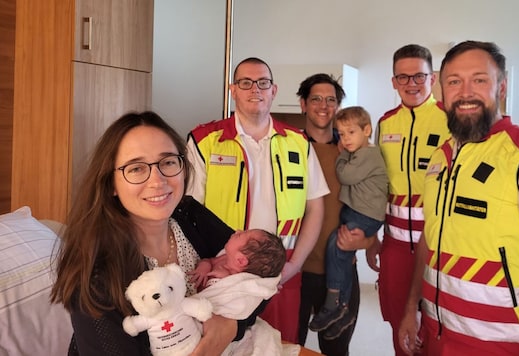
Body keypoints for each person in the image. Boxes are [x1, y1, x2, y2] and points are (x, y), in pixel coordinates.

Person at [398, 40, 519, 355]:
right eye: (454, 82)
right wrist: (410, 309)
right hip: (436, 336)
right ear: (442, 93)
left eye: (480, 79)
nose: (466, 91)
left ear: (501, 87)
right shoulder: (439, 159)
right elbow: (428, 242)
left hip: (506, 345)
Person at [50, 111, 263, 356]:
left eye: (168, 162)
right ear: (111, 184)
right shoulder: (95, 272)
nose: (157, 180)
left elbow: (262, 275)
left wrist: (231, 326)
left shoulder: (190, 214)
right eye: (137, 168)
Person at [186, 57, 329, 344]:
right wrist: (207, 265)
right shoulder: (205, 140)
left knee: (280, 344)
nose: (255, 89)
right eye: (246, 83)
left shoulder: (298, 142)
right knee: (227, 346)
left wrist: (296, 264)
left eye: (263, 83)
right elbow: (189, 213)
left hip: (281, 273)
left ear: (273, 90)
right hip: (222, 275)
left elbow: (315, 207)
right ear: (233, 90)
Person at [370, 44, 450, 355]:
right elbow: (379, 185)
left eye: (419, 75)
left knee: (435, 327)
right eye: (403, 77)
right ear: (394, 82)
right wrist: (373, 237)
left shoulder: (450, 120)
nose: (411, 83)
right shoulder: (386, 122)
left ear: (434, 78)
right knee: (399, 323)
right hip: (396, 245)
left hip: (439, 245)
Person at [296, 73, 371, 355]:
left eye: (331, 100)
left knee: (337, 350)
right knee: (289, 347)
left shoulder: (356, 154)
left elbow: (372, 205)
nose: (324, 106)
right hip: (296, 272)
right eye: (316, 99)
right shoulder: (287, 147)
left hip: (340, 274)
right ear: (303, 105)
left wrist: (367, 242)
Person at [308, 106, 388, 339]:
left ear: (367, 130)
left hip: (364, 215)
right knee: (342, 257)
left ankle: (334, 303)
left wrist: (341, 154)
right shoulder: (362, 152)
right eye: (341, 134)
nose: (345, 139)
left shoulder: (366, 155)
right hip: (359, 212)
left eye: (351, 133)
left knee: (338, 248)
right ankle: (343, 310)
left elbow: (345, 176)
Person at [189, 228, 286, 289]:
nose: (238, 230)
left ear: (240, 260)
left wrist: (226, 282)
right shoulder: (226, 257)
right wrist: (204, 267)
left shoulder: (236, 285)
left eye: (240, 235)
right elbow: (209, 260)